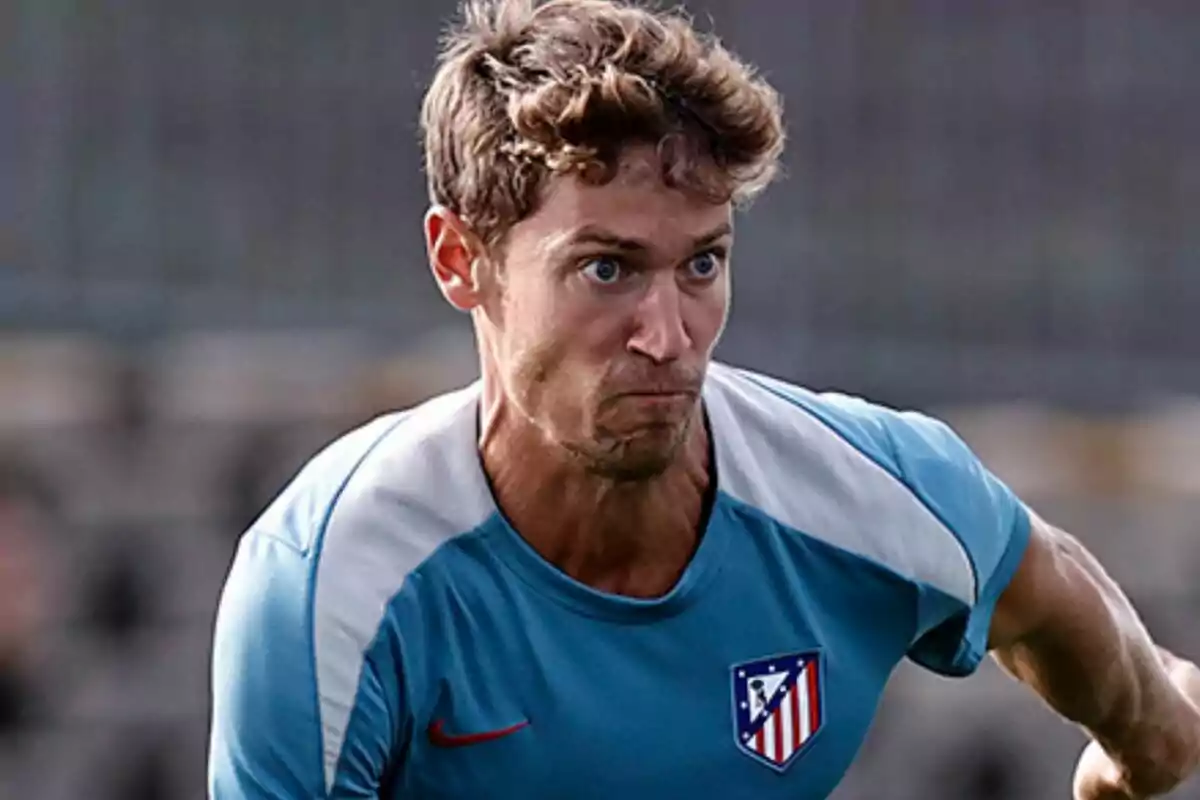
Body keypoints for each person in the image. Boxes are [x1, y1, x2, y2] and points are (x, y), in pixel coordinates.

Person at [207, 1, 1200, 798]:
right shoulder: (329, 585)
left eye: (703, 264)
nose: (668, 334)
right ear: (462, 260)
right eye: (607, 269)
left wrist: (1137, 751)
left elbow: (1068, 617)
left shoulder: (873, 492)